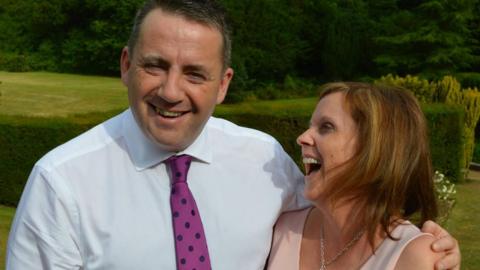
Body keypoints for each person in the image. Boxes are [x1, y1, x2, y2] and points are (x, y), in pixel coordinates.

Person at [6, 1, 459, 269]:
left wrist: (425, 246)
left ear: (223, 84)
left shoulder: (263, 161)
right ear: (126, 65)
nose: (170, 91)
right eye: (155, 65)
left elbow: (347, 219)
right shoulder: (61, 182)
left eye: (194, 74)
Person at [267, 82, 459, 270]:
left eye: (326, 126)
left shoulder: (416, 256)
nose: (302, 138)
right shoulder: (283, 226)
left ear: (376, 149)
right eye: (311, 126)